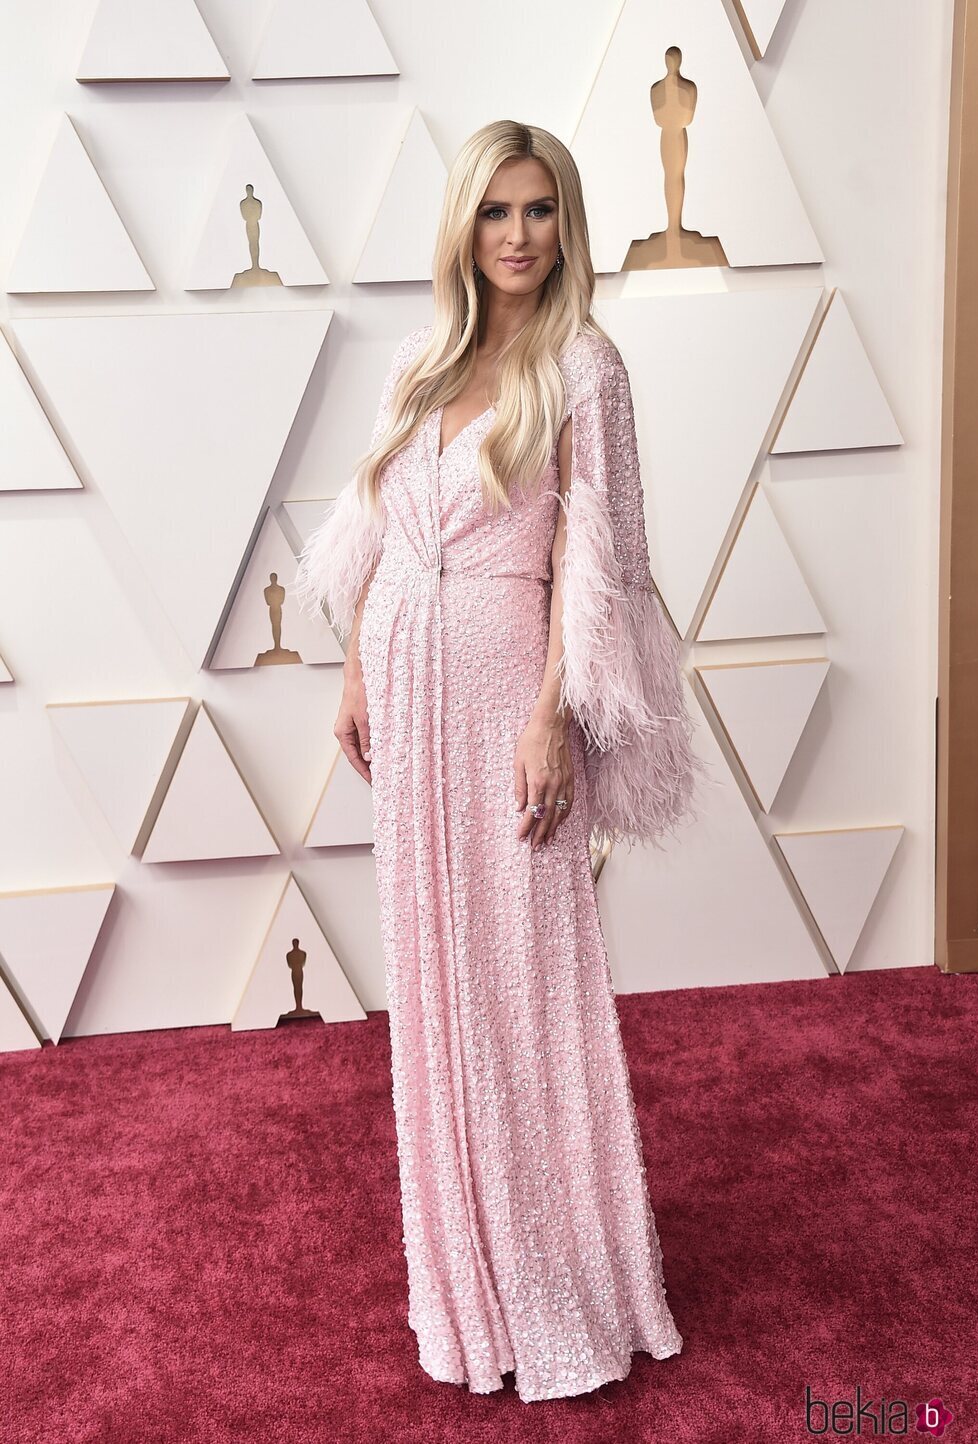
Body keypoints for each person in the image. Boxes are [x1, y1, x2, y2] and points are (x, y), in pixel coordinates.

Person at [292, 120, 704, 1404]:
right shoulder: (422, 357)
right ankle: (464, 1287)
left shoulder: (586, 364)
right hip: (406, 696)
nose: (517, 236)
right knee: (431, 974)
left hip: (498, 689)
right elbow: (372, 527)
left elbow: (597, 562)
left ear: (563, 222)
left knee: (526, 982)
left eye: (538, 211)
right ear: (463, 225)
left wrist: (551, 717)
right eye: (495, 212)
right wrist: (358, 666)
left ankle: (565, 1280)